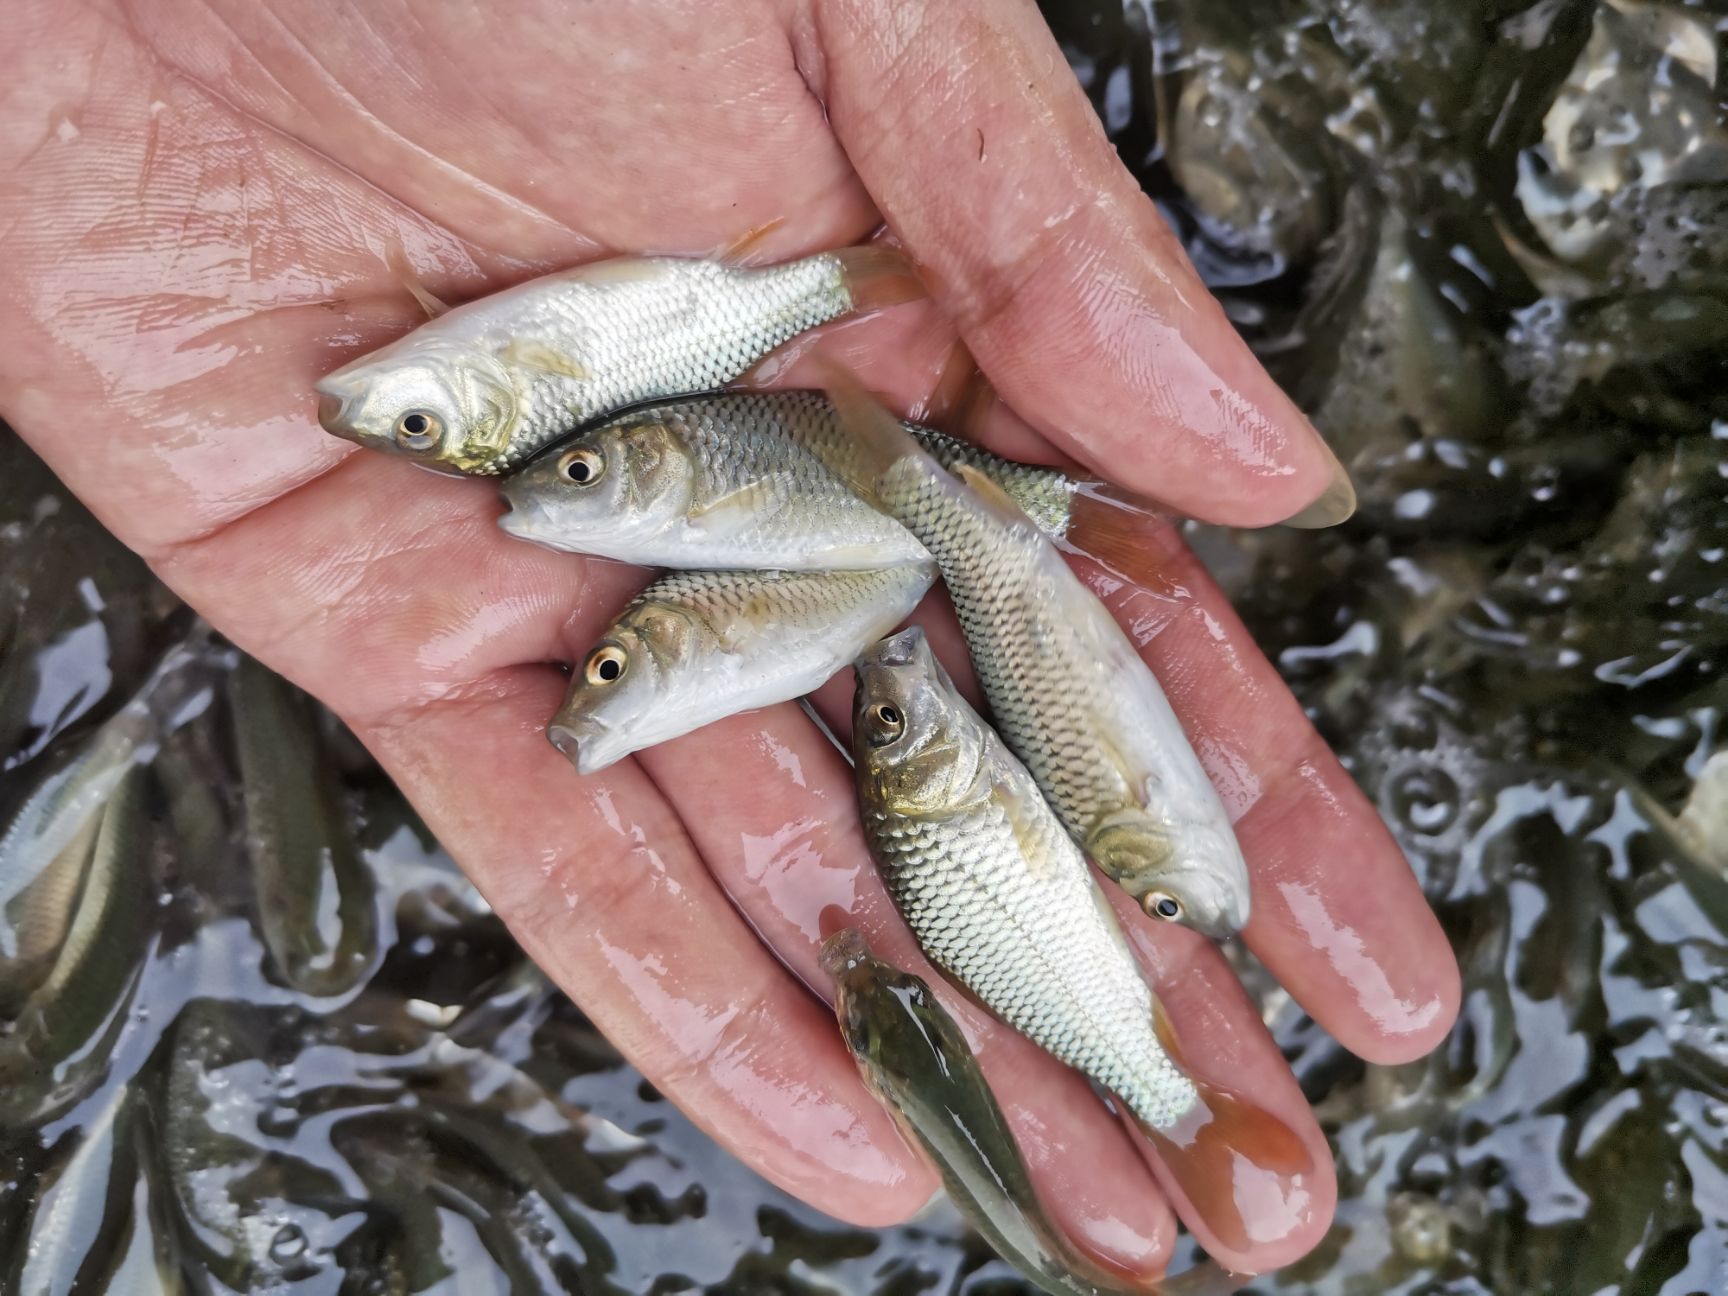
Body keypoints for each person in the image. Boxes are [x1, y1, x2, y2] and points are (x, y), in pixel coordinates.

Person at [0, 0, 1458, 1278]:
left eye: (547, 469)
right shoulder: (649, 474)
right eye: (440, 438)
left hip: (823, 490)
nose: (383, 416)